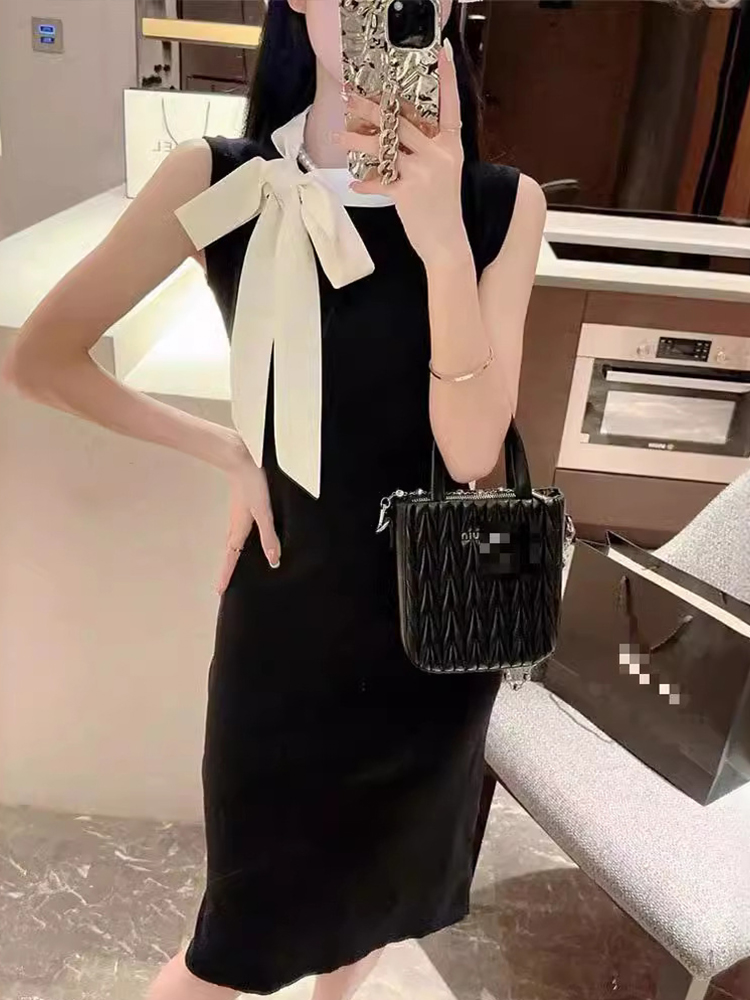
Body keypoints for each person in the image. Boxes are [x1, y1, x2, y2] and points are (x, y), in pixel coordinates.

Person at [1, 0, 546, 996]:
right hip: (288, 635)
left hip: (435, 639)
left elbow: (472, 454)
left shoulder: (502, 207)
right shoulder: (225, 183)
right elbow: (42, 359)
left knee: (376, 905)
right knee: (234, 949)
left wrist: (441, 244)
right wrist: (226, 450)